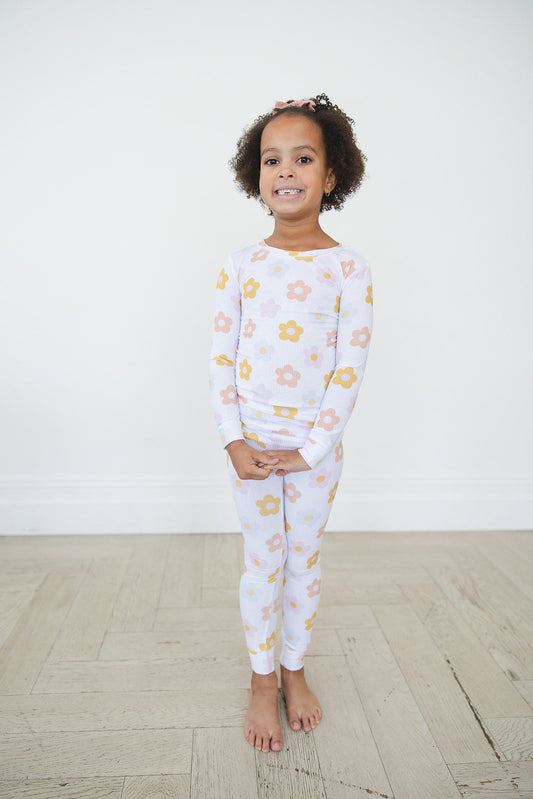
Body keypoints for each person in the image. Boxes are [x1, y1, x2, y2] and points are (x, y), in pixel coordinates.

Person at [208, 94, 373, 753]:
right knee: (262, 561)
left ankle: (294, 669)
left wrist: (313, 448)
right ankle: (260, 678)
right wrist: (233, 438)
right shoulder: (240, 266)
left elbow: (349, 367)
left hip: (314, 452)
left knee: (302, 561)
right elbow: (221, 358)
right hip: (249, 446)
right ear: (256, 175)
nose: (285, 171)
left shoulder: (348, 268)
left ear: (330, 176)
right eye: (271, 159)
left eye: (303, 159)